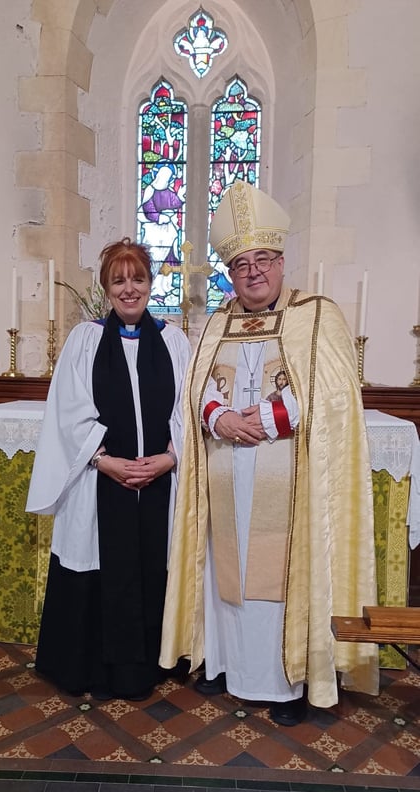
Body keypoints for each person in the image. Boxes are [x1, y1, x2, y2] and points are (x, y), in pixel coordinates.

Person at [159, 180, 379, 725]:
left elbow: (333, 392)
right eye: (241, 264)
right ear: (230, 273)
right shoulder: (216, 322)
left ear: (281, 263)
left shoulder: (316, 315)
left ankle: (286, 682)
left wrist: (271, 416)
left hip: (288, 474)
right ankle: (225, 664)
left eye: (263, 260)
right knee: (225, 575)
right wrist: (220, 416)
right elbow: (195, 389)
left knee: (278, 580)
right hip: (224, 470)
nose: (253, 271)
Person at [26, 238, 191, 701]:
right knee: (100, 560)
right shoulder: (86, 340)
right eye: (118, 280)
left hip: (160, 481)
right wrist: (103, 460)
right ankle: (94, 668)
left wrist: (171, 457)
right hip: (98, 480)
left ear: (150, 284)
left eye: (137, 278)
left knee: (154, 561)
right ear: (106, 288)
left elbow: (187, 407)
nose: (129, 288)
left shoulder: (174, 342)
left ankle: (156, 663)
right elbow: (67, 410)